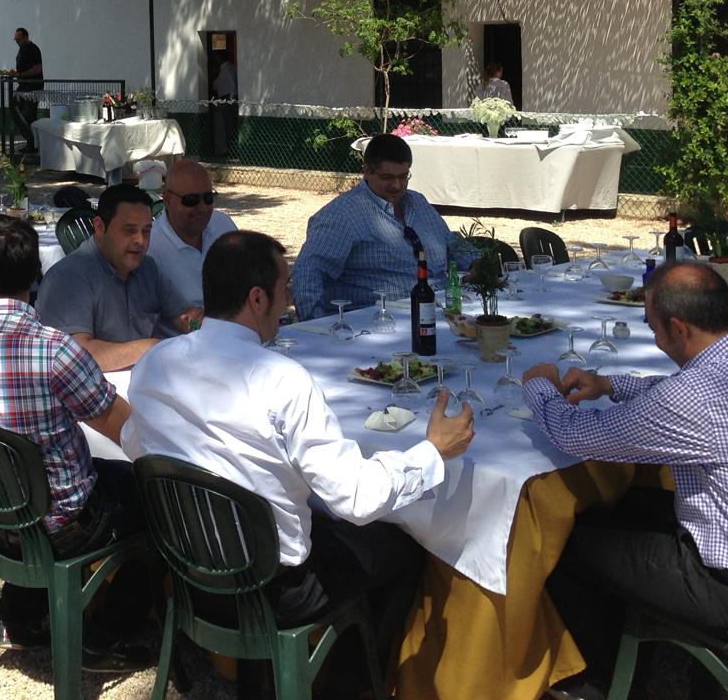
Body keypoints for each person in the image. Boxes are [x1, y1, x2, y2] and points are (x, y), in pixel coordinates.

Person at [123, 230, 472, 654]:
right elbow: (356, 499)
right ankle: (350, 678)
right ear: (257, 299)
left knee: (319, 518)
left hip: (187, 569)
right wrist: (432, 452)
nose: (289, 301)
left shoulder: (155, 362)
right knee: (403, 546)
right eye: (285, 288)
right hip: (274, 589)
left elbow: (137, 448)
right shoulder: (281, 379)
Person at [524, 263, 728, 680]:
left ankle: (603, 680)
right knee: (630, 503)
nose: (656, 339)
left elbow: (573, 433)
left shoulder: (698, 396)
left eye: (653, 327)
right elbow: (676, 394)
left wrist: (539, 385)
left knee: (561, 544)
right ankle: (628, 655)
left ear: (678, 328)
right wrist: (610, 385)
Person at [0, 215, 150, 663]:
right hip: (68, 524)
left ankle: (21, 616)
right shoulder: (54, 350)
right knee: (154, 497)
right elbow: (128, 431)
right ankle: (105, 633)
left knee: (79, 479)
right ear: (36, 272)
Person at [35, 184, 198, 370]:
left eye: (146, 231)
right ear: (99, 227)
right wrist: (150, 348)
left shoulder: (148, 268)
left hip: (142, 380)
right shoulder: (68, 278)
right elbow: (74, 356)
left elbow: (184, 317)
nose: (140, 240)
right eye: (129, 230)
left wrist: (201, 327)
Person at [291, 133, 450, 321]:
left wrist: (475, 267)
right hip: (380, 323)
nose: (397, 185)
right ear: (366, 171)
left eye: (403, 176)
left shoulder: (418, 202)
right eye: (387, 177)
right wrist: (318, 325)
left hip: (441, 312)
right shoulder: (343, 215)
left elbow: (452, 243)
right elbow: (308, 271)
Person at [146, 159, 237, 310]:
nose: (202, 208)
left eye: (208, 198)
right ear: (167, 200)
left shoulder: (223, 225)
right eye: (191, 200)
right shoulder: (150, 247)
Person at [7, 27, 43, 154]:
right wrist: (15, 72)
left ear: (25, 37)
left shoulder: (33, 49)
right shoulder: (22, 49)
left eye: (19, 39)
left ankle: (32, 144)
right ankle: (29, 141)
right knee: (15, 109)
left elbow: (37, 69)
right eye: (16, 39)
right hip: (23, 87)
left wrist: (21, 74)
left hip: (33, 88)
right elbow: (23, 67)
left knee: (29, 116)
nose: (17, 41)